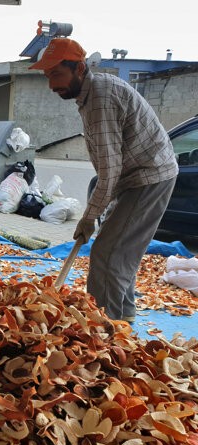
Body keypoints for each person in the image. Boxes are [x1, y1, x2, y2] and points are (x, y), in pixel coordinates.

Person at [30, 38, 178, 323]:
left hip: (148, 178)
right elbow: (110, 168)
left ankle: (104, 330)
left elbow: (109, 170)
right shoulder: (91, 95)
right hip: (134, 178)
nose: (51, 85)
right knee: (119, 252)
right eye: (48, 76)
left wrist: (89, 217)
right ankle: (124, 319)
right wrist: (98, 212)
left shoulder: (99, 99)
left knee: (108, 253)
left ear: (80, 68)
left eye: (57, 74)